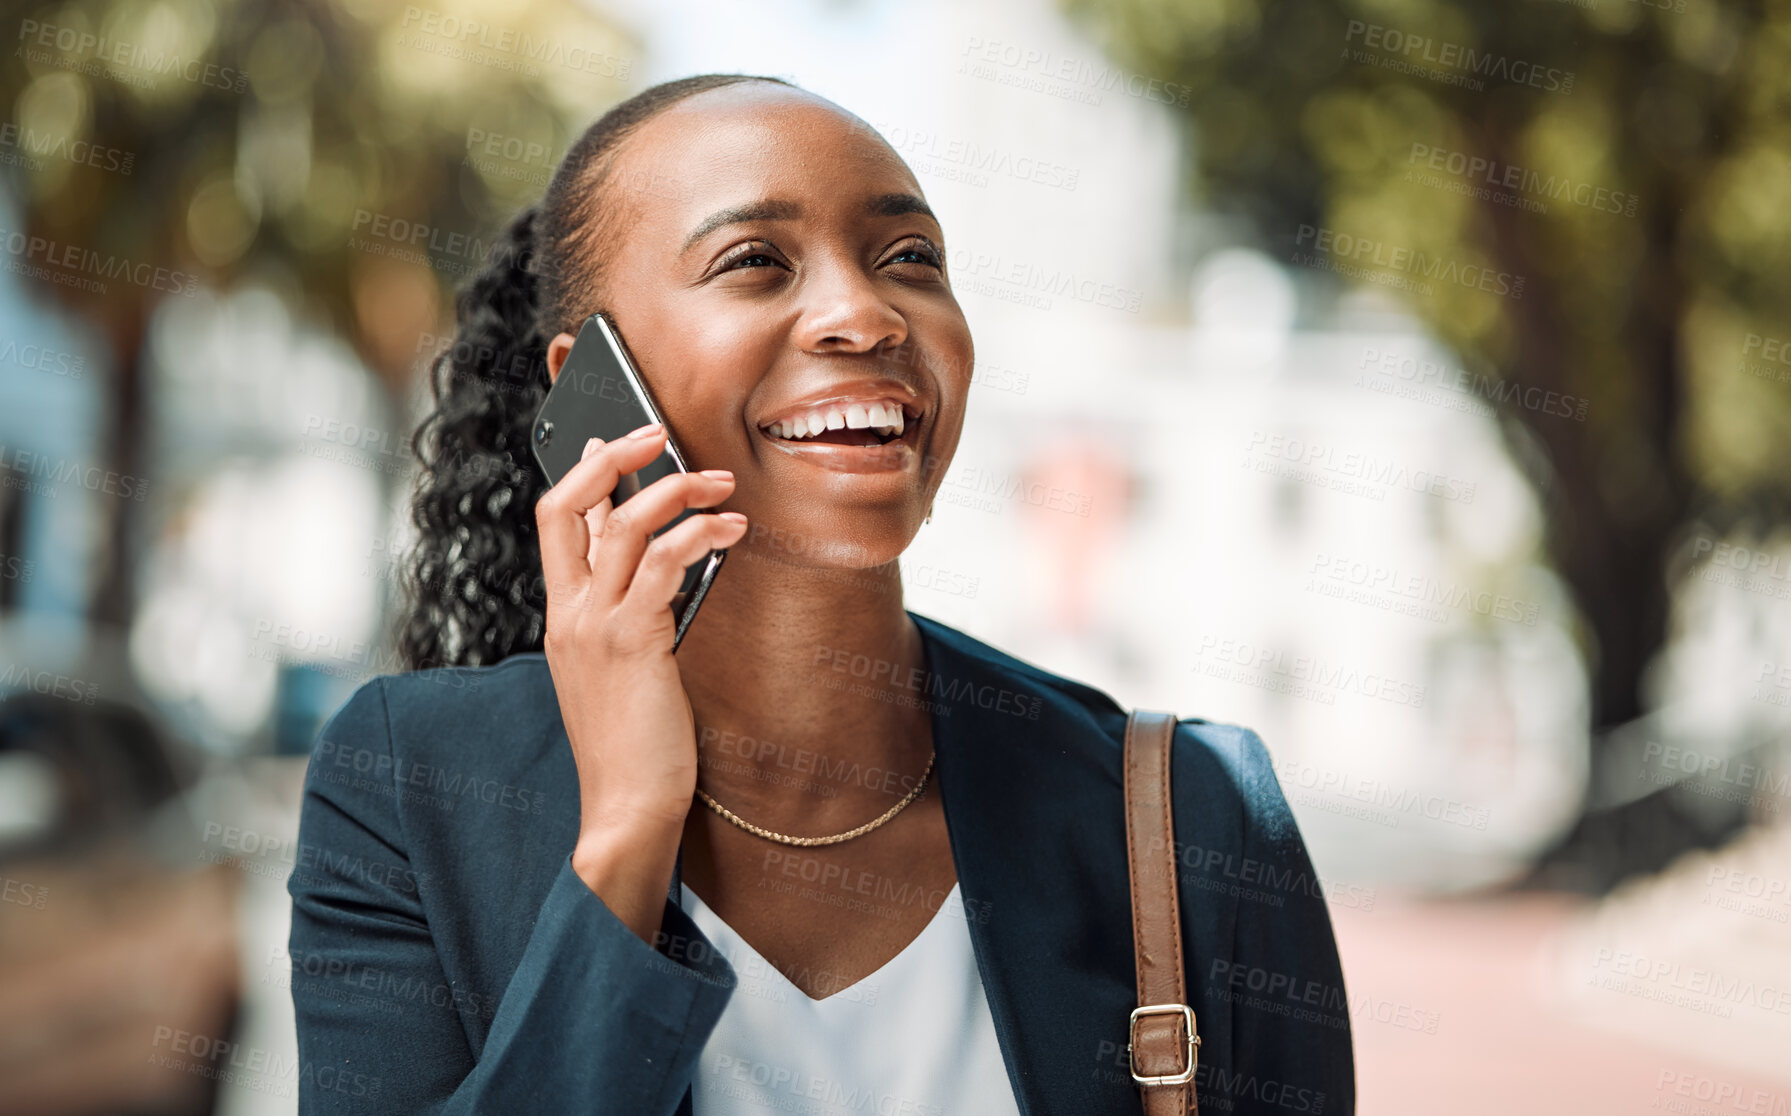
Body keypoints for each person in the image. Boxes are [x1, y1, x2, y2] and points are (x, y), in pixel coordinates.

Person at [286, 73, 1355, 1116]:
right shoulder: (407, 788)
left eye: (909, 258)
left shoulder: (1189, 816)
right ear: (591, 384)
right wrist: (625, 833)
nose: (865, 314)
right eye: (755, 262)